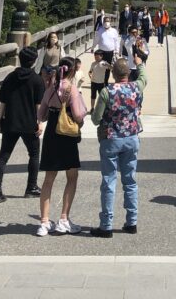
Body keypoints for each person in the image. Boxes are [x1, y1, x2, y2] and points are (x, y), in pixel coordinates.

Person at [90, 55, 147, 237]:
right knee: (130, 181)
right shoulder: (136, 87)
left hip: (111, 139)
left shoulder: (106, 92)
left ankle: (106, 225)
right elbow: (144, 78)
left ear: (113, 74)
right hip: (131, 138)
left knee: (109, 181)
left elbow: (96, 119)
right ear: (128, 73)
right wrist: (140, 63)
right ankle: (132, 222)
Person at [36, 57, 87, 236]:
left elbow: (41, 115)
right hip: (66, 134)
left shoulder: (50, 88)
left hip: (51, 132)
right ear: (72, 71)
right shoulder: (70, 88)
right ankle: (64, 219)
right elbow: (78, 115)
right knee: (72, 176)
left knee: (49, 178)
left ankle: (44, 221)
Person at [0, 45, 44, 204]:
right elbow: (38, 105)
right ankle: (31, 187)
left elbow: (3, 101)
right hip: (29, 122)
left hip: (11, 121)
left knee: (3, 156)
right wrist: (40, 122)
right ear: (34, 61)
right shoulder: (37, 80)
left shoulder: (9, 77)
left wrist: (0, 118)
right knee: (34, 154)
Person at [94, 15, 120, 85]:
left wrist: (117, 51)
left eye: (108, 21)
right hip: (101, 52)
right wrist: (93, 47)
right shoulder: (100, 30)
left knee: (108, 68)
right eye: (105, 21)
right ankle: (100, 81)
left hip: (110, 52)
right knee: (101, 66)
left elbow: (116, 41)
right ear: (103, 22)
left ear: (110, 22)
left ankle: (106, 82)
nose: (106, 23)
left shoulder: (114, 31)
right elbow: (96, 40)